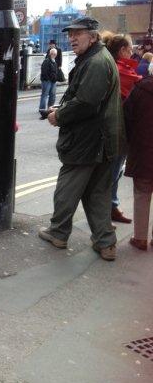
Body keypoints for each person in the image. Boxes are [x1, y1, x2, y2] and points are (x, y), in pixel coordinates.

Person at [39, 17, 125, 261]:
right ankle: (105, 243)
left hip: (89, 140)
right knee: (97, 193)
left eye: (78, 33)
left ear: (93, 36)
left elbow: (86, 102)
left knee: (67, 187)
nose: (72, 38)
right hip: (102, 139)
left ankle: (58, 232)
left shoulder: (96, 62)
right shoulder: (97, 58)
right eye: (70, 34)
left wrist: (60, 115)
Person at [103, 32, 141, 225]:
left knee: (115, 170)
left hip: (122, 127)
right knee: (113, 170)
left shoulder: (122, 68)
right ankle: (105, 211)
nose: (133, 53)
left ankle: (111, 206)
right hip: (119, 128)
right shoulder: (121, 71)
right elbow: (139, 86)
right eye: (130, 49)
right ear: (122, 51)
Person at [123, 74, 153, 250]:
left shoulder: (141, 89)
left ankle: (140, 238)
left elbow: (126, 117)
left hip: (144, 151)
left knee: (142, 193)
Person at [39, 48, 59, 119]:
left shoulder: (54, 61)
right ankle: (42, 109)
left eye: (55, 54)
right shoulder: (46, 61)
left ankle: (50, 109)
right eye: (53, 54)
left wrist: (55, 79)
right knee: (44, 95)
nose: (54, 55)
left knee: (52, 95)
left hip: (53, 81)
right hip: (47, 81)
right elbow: (44, 71)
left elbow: (55, 71)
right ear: (50, 54)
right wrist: (48, 79)